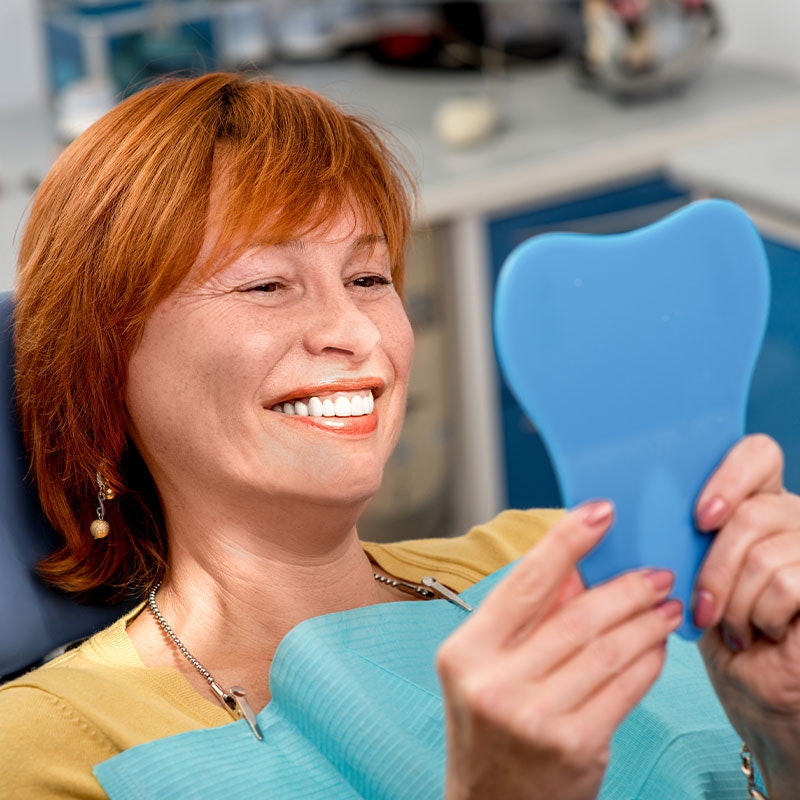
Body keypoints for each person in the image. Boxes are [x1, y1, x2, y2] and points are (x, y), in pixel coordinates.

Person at [0, 71, 798, 800]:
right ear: (103, 373)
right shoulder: (50, 746)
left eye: (368, 278)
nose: (354, 331)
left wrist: (782, 735)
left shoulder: (569, 559)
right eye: (267, 284)